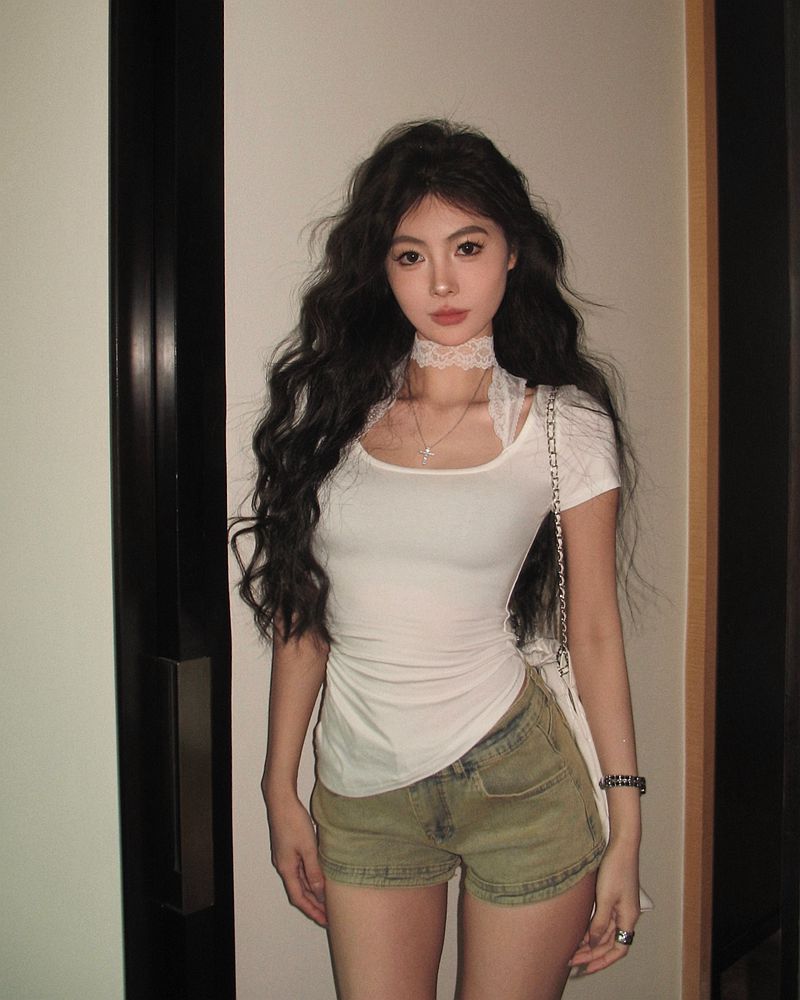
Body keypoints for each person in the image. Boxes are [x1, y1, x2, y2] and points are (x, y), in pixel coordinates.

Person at [233, 120, 644, 1000]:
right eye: (411, 256)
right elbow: (305, 617)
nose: (444, 283)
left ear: (512, 253)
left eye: (468, 246)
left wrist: (627, 828)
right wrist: (278, 789)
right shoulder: (331, 417)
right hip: (362, 794)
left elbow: (596, 632)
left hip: (517, 779)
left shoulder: (564, 425)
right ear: (382, 269)